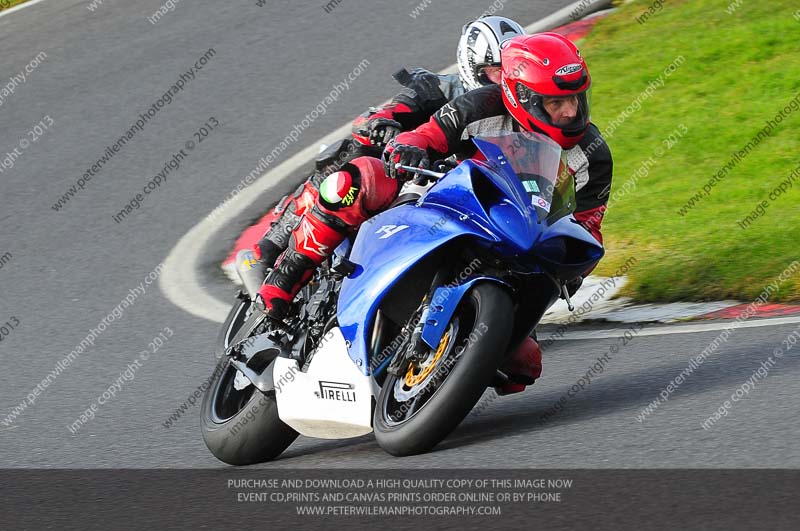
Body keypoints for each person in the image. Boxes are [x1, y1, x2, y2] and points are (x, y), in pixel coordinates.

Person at [256, 32, 613, 395]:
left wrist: (570, 263)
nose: (570, 112)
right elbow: (424, 136)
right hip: (447, 205)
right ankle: (284, 280)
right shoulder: (480, 106)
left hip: (516, 243)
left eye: (575, 99)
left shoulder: (593, 154)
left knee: (523, 366)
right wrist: (408, 150)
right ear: (523, 97)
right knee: (356, 179)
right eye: (556, 103)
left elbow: (587, 224)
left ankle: (440, 369)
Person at [251, 15, 526, 272]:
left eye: (510, 73)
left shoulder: (528, 109)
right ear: (472, 67)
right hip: (404, 167)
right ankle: (274, 244)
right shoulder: (439, 88)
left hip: (460, 189)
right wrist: (384, 124)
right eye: (495, 73)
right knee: (354, 153)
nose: (504, 81)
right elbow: (394, 110)